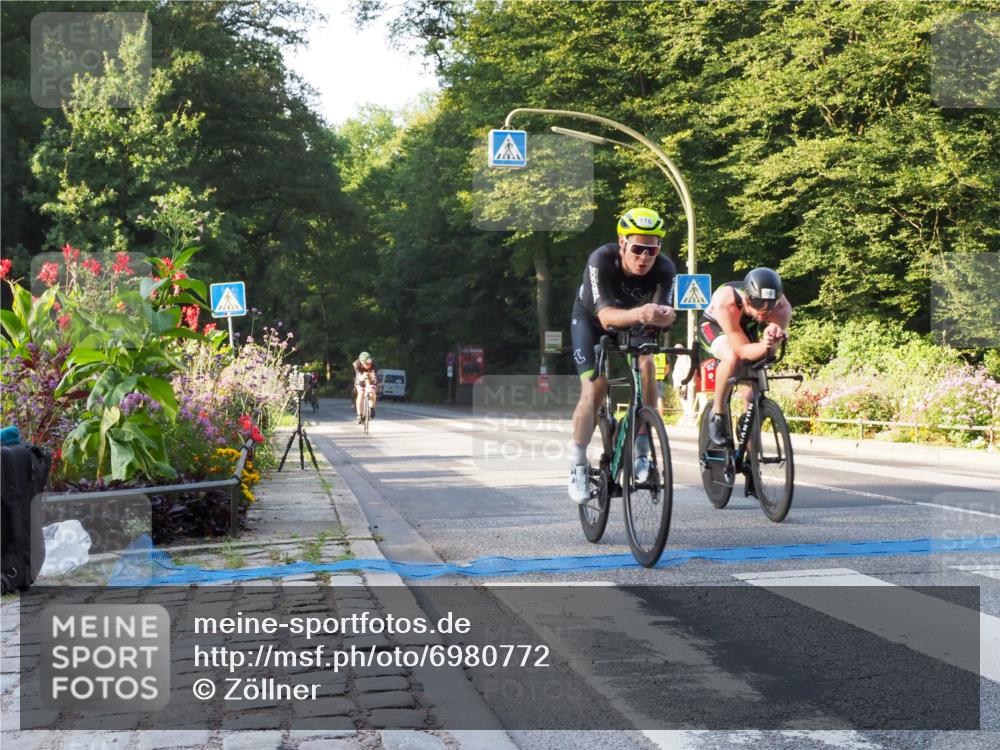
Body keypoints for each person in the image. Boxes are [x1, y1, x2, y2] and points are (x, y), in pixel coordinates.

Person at [567, 207, 677, 504]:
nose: (644, 257)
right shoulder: (601, 260)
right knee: (596, 386)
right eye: (638, 248)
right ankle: (578, 463)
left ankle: (643, 448)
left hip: (637, 320)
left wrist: (666, 316)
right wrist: (644, 313)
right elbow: (605, 318)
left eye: (651, 249)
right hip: (591, 320)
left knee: (648, 364)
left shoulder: (664, 268)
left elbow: (666, 314)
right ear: (622, 242)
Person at [698, 267, 792, 446]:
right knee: (733, 357)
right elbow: (742, 350)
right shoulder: (727, 300)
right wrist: (765, 344)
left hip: (746, 328)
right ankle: (717, 413)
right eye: (758, 304)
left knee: (751, 396)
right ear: (747, 298)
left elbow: (767, 353)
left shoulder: (782, 309)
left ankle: (751, 460)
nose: (763, 310)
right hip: (715, 325)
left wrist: (772, 341)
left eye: (769, 305)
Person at [353, 352, 379, 424]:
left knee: (372, 391)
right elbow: (359, 378)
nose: (368, 365)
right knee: (361, 393)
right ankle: (360, 415)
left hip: (371, 377)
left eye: (369, 363)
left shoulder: (374, 363)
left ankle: (372, 408)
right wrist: (363, 377)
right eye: (366, 364)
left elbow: (375, 376)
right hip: (360, 378)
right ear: (361, 362)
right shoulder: (357, 364)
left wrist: (372, 379)